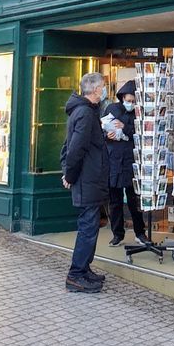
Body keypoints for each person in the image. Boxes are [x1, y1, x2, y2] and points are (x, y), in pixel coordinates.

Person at [61, 72, 110, 294]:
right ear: (95, 89)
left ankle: (84, 269)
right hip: (87, 180)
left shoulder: (85, 112)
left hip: (91, 179)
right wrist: (69, 175)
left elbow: (70, 146)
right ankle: (76, 275)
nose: (105, 90)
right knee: (88, 228)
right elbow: (74, 149)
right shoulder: (85, 114)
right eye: (104, 86)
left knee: (91, 226)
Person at [104, 81, 148, 247]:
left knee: (133, 200)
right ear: (122, 98)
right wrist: (108, 135)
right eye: (129, 100)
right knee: (114, 201)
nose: (131, 103)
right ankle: (117, 234)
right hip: (114, 160)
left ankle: (140, 232)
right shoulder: (112, 109)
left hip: (132, 161)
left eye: (133, 101)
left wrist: (125, 127)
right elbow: (102, 130)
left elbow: (142, 131)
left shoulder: (139, 112)